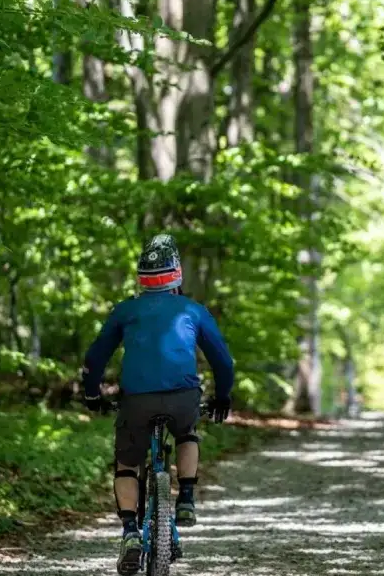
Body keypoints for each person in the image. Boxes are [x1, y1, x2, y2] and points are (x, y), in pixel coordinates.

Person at [81, 233, 235, 576]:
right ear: (177, 273)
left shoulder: (126, 310)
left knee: (126, 464)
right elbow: (223, 362)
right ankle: (186, 500)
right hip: (183, 399)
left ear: (141, 275)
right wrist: (223, 396)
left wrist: (92, 394)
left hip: (136, 402)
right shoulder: (193, 310)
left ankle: (130, 533)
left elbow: (95, 357)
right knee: (187, 433)